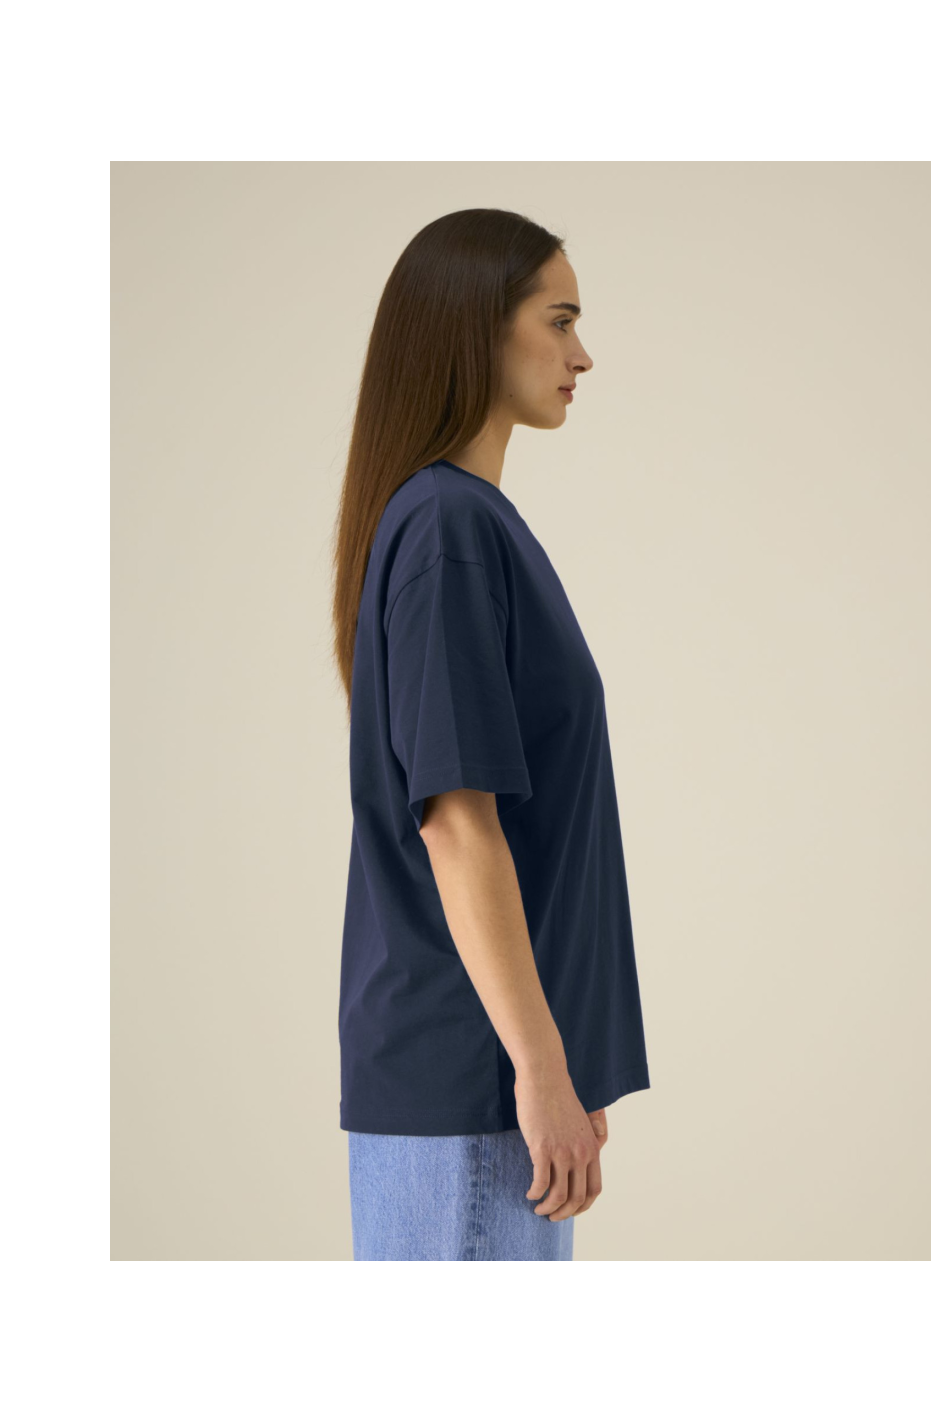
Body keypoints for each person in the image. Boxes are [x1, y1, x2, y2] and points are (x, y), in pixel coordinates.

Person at [330, 209, 651, 1261]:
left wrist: (558, 1055)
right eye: (558, 321)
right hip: (473, 1083)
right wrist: (539, 1067)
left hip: (483, 1076)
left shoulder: (459, 522)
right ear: (476, 327)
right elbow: (457, 825)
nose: (581, 355)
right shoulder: (448, 528)